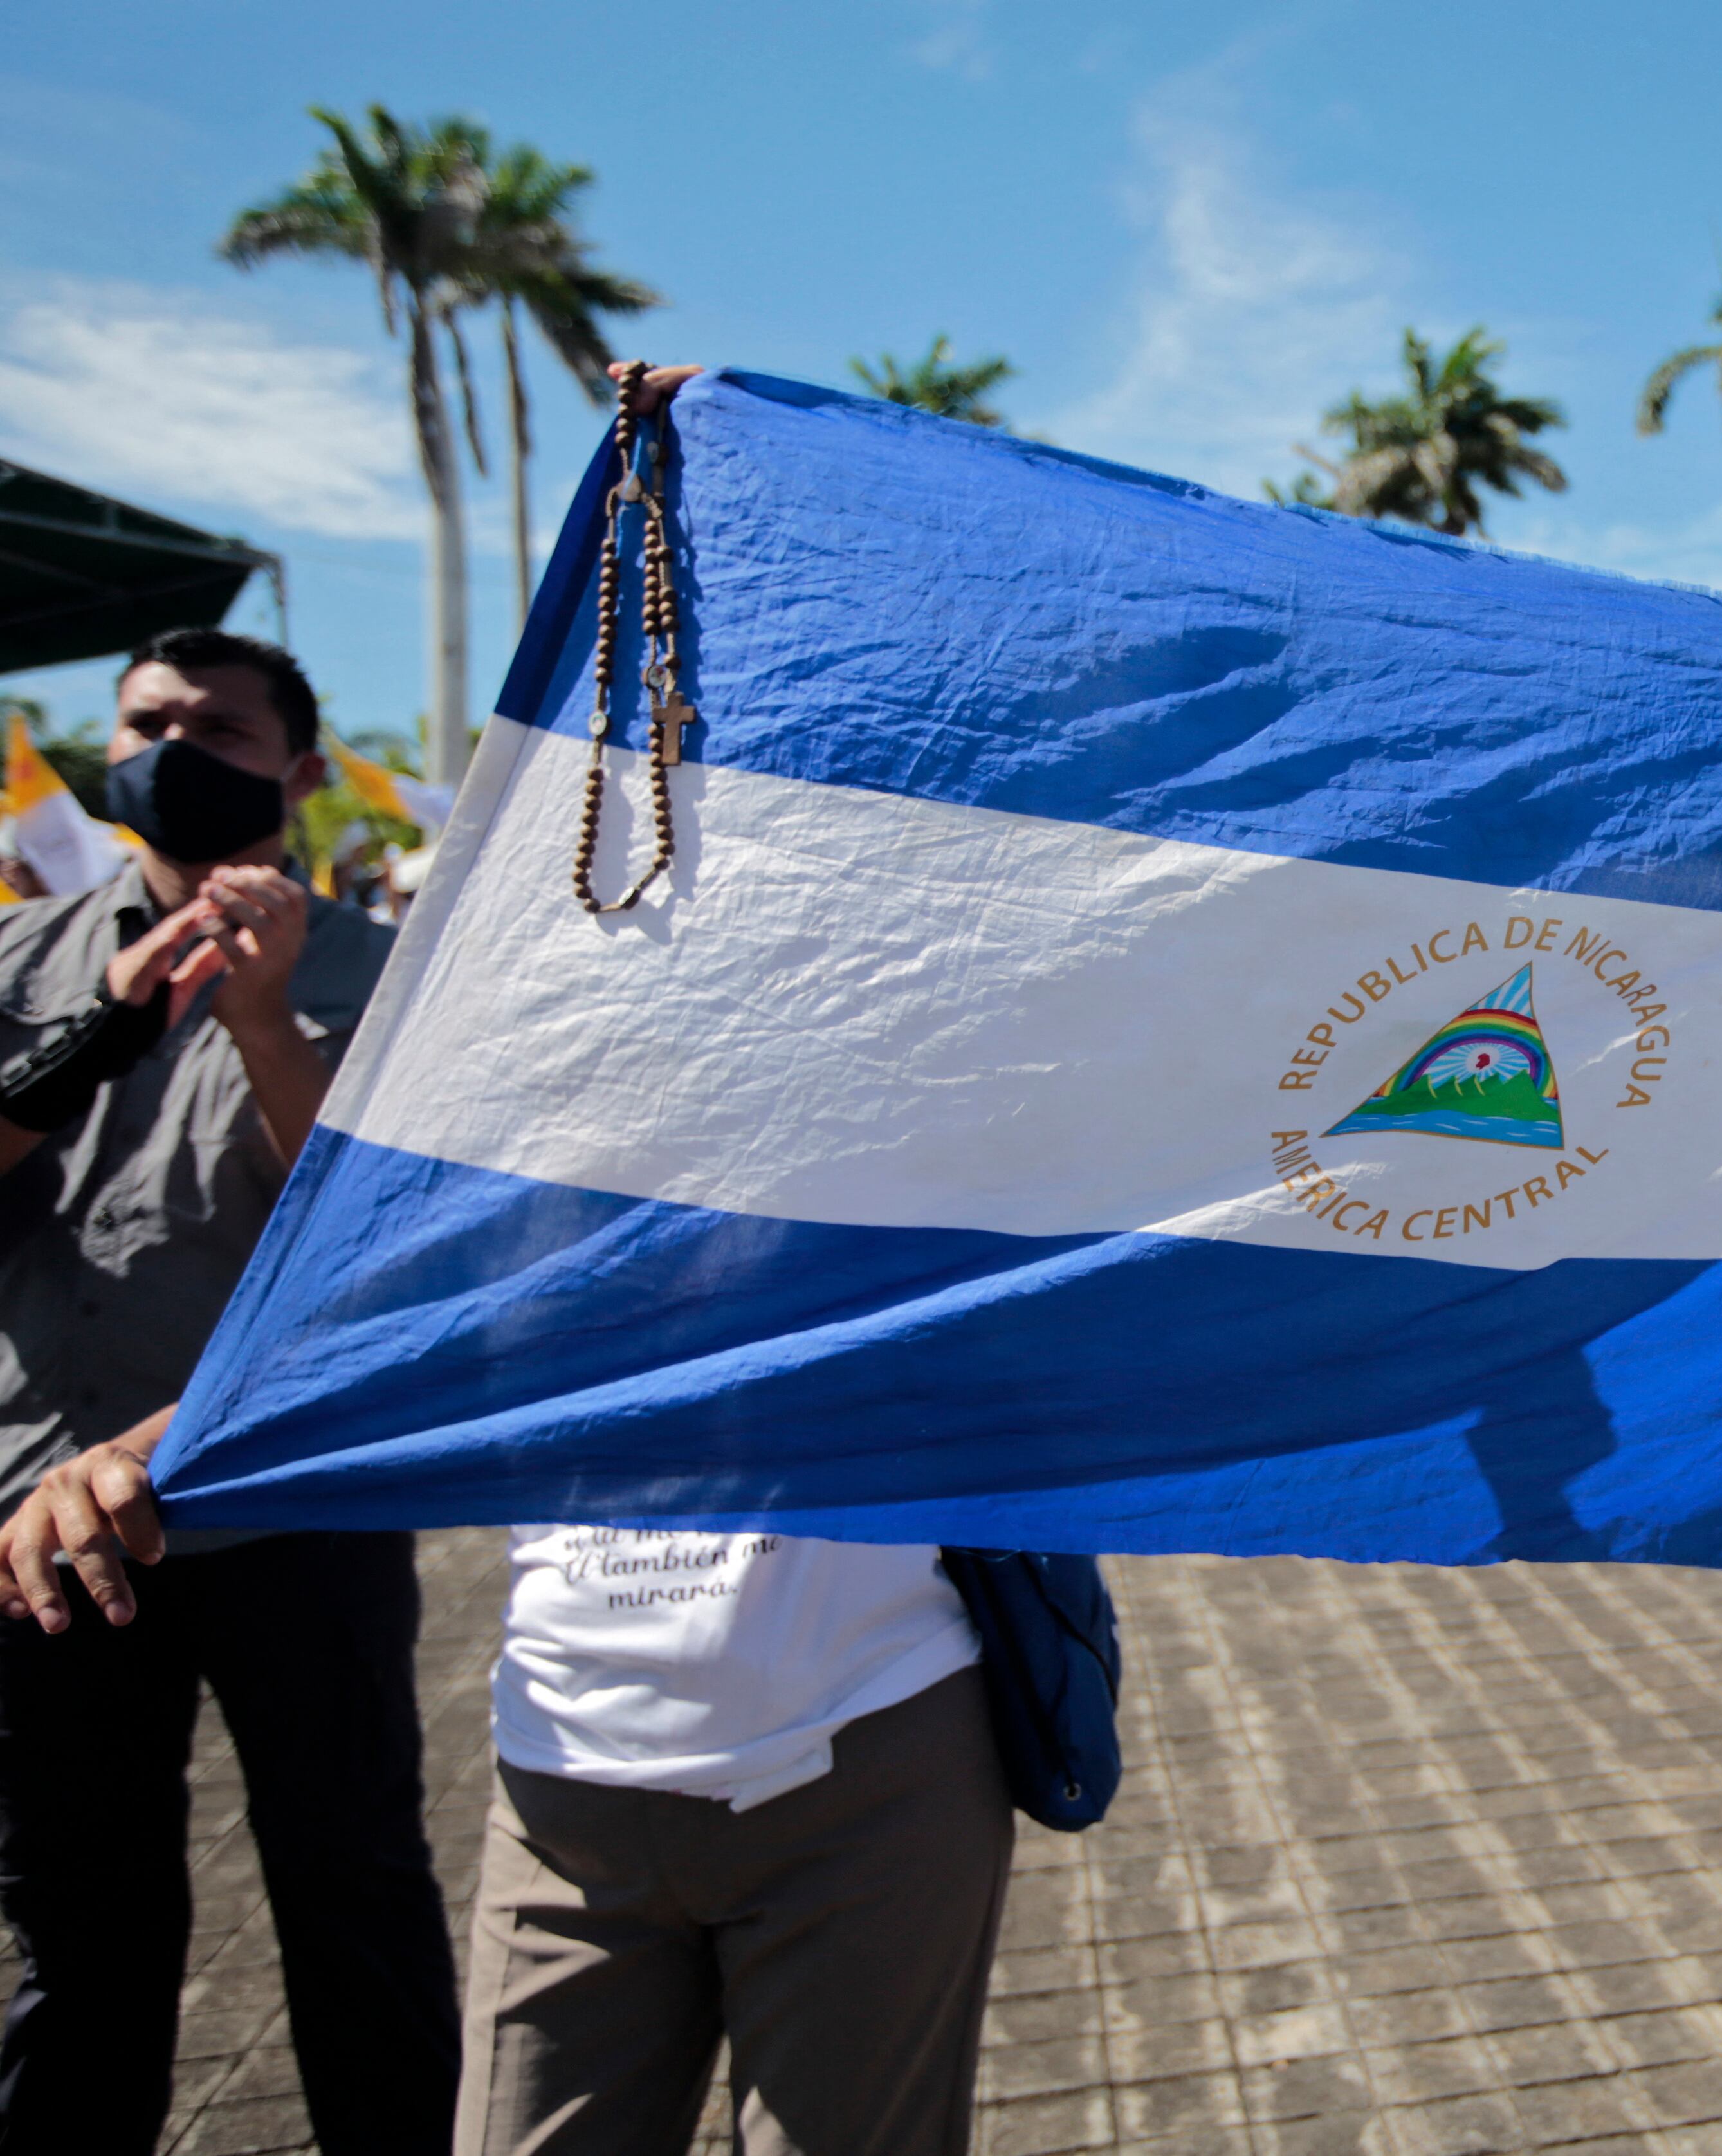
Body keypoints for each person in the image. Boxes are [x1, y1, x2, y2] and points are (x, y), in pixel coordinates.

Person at [8, 368, 1021, 2156]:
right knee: (89, 1950)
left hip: (858, 1737)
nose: (681, 758)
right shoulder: (506, 995)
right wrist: (146, 1449)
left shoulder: (918, 1014)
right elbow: (418, 1300)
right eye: (654, 714)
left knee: (353, 1913)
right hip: (563, 1760)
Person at [0, 628, 457, 2154]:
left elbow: (381, 1238)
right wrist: (106, 1025)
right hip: (45, 1526)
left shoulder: (384, 972)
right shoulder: (30, 957)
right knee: (74, 1931)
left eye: (218, 725)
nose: (173, 747)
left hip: (284, 1511)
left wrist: (261, 1019)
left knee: (355, 1895)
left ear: (301, 771)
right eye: (147, 721)